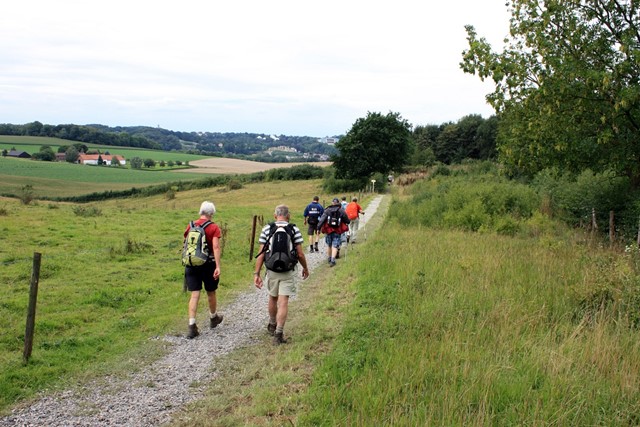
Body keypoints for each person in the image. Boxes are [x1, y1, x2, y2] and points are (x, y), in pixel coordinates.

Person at [254, 204, 309, 344]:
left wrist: (257, 274)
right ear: (288, 216)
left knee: (272, 298)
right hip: (288, 270)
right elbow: (300, 254)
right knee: (283, 301)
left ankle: (272, 324)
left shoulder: (267, 229)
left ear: (275, 215)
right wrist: (305, 268)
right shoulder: (293, 229)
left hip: (272, 270)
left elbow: (261, 254)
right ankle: (278, 334)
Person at [183, 201, 223, 339]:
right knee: (210, 292)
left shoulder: (191, 225)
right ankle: (213, 318)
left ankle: (191, 325)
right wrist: (218, 266)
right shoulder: (213, 227)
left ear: (200, 212)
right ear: (211, 214)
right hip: (208, 263)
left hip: (192, 263)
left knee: (195, 294)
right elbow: (216, 247)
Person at [317, 198, 350, 267]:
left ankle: (329, 258)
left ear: (332, 203)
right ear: (338, 204)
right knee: (335, 245)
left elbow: (322, 220)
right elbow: (347, 221)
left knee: (329, 245)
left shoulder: (327, 210)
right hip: (337, 230)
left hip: (328, 230)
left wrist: (318, 228)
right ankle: (332, 260)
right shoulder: (341, 210)